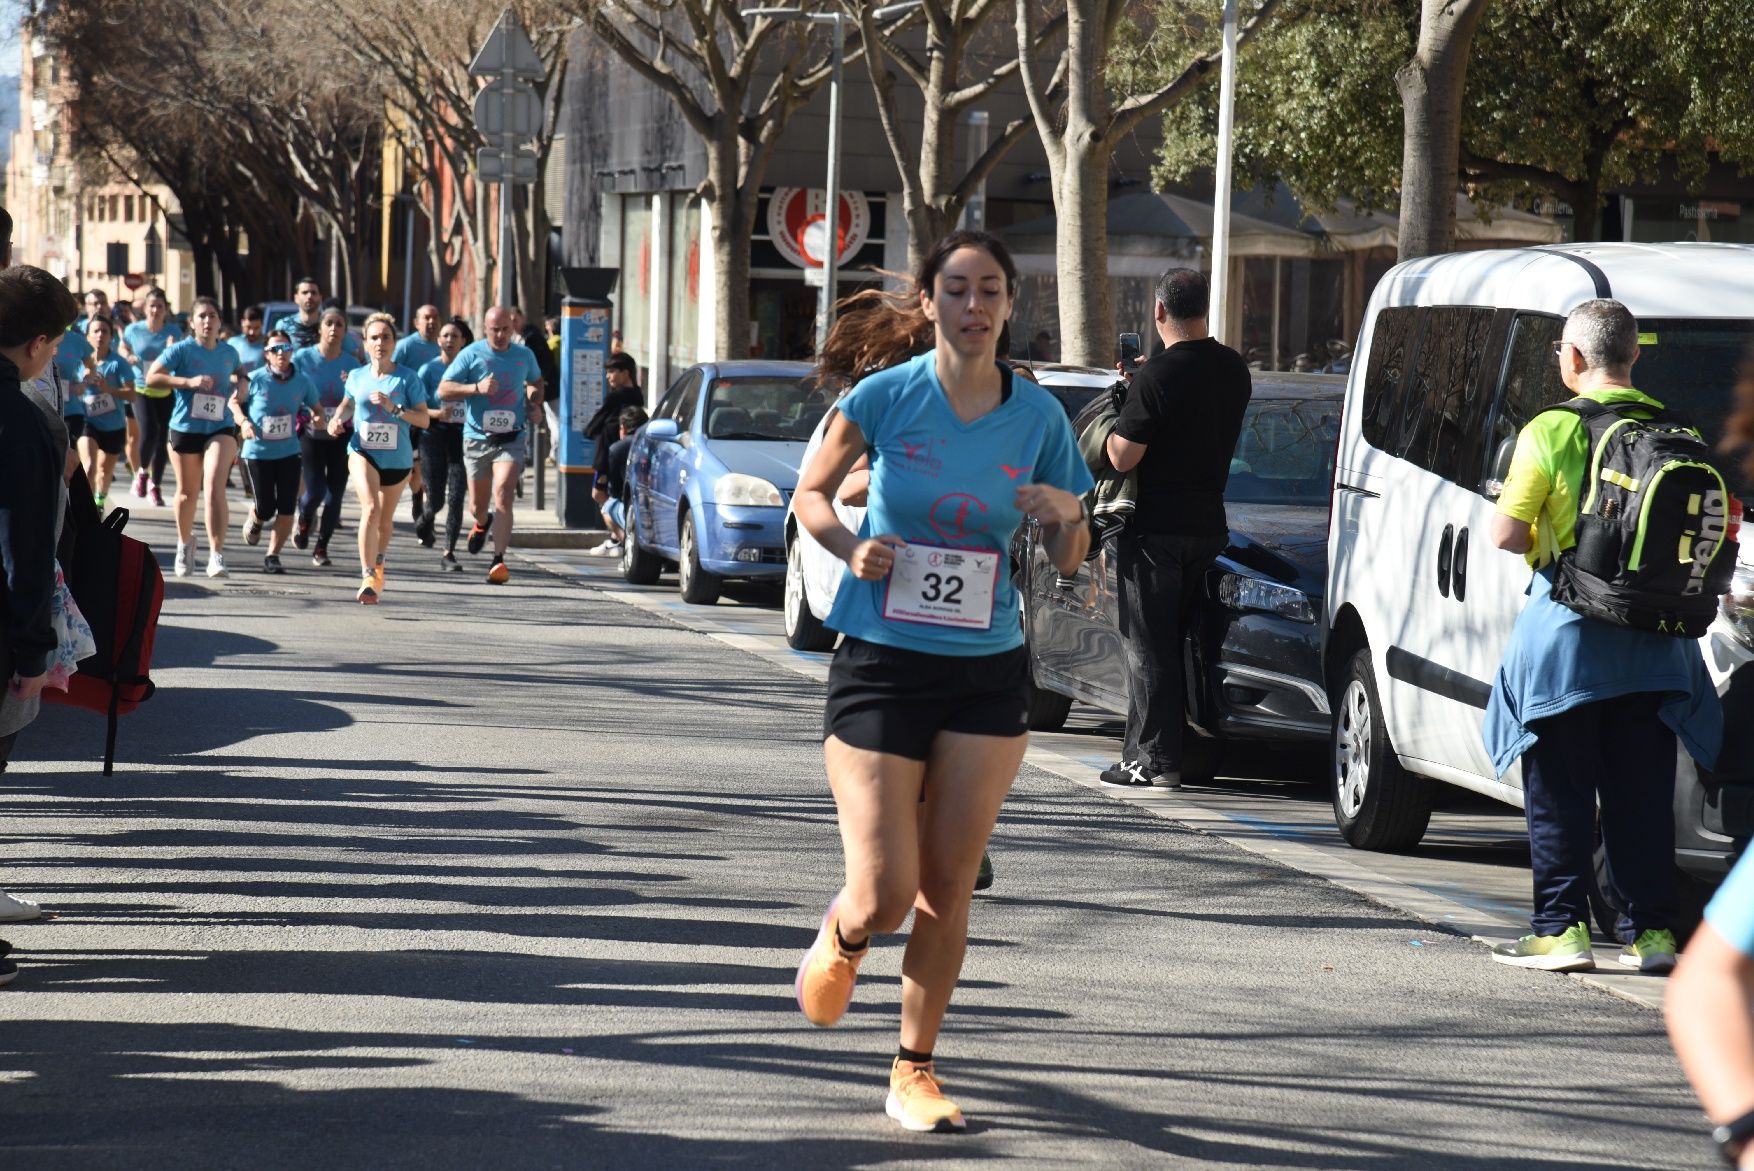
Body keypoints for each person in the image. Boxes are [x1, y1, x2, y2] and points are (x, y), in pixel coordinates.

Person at [790, 230, 1093, 1133]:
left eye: (990, 289)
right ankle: (845, 931)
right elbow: (809, 493)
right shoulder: (884, 396)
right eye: (956, 289)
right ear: (929, 303)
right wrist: (853, 546)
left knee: (946, 887)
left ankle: (913, 1069)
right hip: (881, 664)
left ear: (1008, 305)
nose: (974, 305)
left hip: (987, 673)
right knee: (884, 893)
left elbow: (1071, 557)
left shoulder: (1037, 418)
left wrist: (1066, 513)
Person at [1484, 299, 1723, 973]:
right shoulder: (1678, 427)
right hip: (1656, 646)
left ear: (1574, 359)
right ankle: (1650, 934)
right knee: (1640, 796)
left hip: (1568, 645)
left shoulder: (1551, 429)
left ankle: (1560, 929)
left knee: (1559, 792)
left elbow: (1505, 533)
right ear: (1635, 355)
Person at [1098, 268, 1252, 789]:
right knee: (1187, 641)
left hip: (1155, 529)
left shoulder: (1156, 379)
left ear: (1159, 311)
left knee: (1148, 644)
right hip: (1209, 525)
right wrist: (1145, 383)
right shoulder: (1234, 369)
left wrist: (1126, 408)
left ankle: (1153, 761)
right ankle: (1186, 750)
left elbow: (1122, 458)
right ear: (1204, 308)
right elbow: (1193, 405)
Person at [0, 266, 78, 955]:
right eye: (53, 346)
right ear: (35, 344)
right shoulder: (27, 423)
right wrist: (33, 651)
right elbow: (27, 546)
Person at [436, 305, 544, 585]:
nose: (500, 335)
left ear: (513, 328)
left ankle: (498, 560)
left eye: (505, 329)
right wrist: (476, 389)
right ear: (485, 328)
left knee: (504, 493)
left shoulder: (524, 355)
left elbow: (535, 382)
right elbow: (444, 389)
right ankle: (482, 523)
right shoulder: (471, 354)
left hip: (512, 437)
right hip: (477, 438)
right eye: (494, 329)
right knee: (477, 505)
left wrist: (534, 401)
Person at [327, 313, 430, 603]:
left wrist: (395, 409)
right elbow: (347, 405)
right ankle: (367, 574)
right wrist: (337, 420)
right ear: (365, 342)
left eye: (386, 337)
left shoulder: (408, 378)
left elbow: (424, 420)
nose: (380, 342)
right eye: (374, 337)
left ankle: (379, 560)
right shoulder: (357, 376)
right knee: (370, 508)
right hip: (363, 451)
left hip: (397, 461)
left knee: (385, 522)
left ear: (394, 342)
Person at [146, 297, 242, 579]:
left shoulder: (229, 352)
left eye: (213, 316)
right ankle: (184, 543)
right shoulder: (181, 350)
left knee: (214, 487)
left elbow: (240, 373)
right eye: (201, 316)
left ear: (220, 321)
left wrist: (242, 387)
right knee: (188, 494)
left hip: (220, 427)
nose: (207, 321)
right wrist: (187, 383)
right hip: (185, 426)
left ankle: (216, 554)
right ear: (192, 322)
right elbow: (152, 377)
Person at [232, 329, 322, 574]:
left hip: (289, 452)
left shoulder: (302, 381)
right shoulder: (254, 379)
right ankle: (257, 517)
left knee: (286, 507)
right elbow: (234, 403)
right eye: (275, 349)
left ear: (292, 352)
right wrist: (243, 422)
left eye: (286, 348)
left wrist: (318, 417)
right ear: (266, 354)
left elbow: (317, 407)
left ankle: (273, 555)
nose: (281, 354)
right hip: (257, 452)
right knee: (266, 506)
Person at [292, 309, 364, 568]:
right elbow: (292, 388)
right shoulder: (302, 358)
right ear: (320, 328)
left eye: (339, 324)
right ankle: (304, 518)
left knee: (335, 495)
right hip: (311, 433)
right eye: (329, 323)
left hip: (341, 435)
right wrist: (308, 412)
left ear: (345, 331)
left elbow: (359, 398)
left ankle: (322, 546)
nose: (334, 328)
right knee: (315, 491)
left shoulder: (352, 365)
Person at [416, 317, 472, 570]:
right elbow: (415, 407)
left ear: (464, 342)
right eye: (445, 336)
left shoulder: (472, 370)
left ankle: (448, 552)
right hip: (433, 434)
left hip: (462, 436)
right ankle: (425, 519)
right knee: (436, 499)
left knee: (457, 494)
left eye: (455, 336)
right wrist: (437, 413)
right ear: (439, 341)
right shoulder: (428, 370)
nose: (449, 340)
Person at [118, 287, 184, 506]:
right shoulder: (134, 330)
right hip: (141, 387)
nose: (155, 310)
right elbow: (123, 346)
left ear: (166, 310)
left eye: (160, 306)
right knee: (149, 431)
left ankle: (155, 486)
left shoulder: (173, 332)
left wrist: (172, 350)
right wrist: (127, 356)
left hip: (165, 389)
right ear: (145, 309)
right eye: (152, 306)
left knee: (162, 436)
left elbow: (180, 359)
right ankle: (143, 473)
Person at [77, 314, 136, 510]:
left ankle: (99, 501)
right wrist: (82, 382)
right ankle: (87, 510)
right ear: (87, 336)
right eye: (96, 331)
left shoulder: (118, 363)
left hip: (114, 425)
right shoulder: (79, 363)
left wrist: (109, 389)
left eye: (105, 331)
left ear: (111, 336)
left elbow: (131, 395)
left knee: (104, 471)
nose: (100, 335)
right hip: (87, 421)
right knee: (89, 466)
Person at [589, 405, 648, 555]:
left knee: (607, 507)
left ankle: (631, 549)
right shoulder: (653, 445)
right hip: (654, 505)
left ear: (623, 428)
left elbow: (615, 489)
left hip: (631, 508)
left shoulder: (617, 449)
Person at [586, 352, 644, 479]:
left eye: (612, 371)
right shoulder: (638, 395)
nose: (608, 376)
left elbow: (597, 421)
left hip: (608, 453)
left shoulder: (615, 396)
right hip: (629, 451)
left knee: (599, 493)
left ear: (625, 373)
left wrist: (589, 432)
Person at [52, 317, 98, 459]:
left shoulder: (76, 340)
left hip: (70, 409)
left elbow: (91, 367)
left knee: (67, 454)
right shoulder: (34, 336)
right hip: (42, 408)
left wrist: (84, 383)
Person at [271, 277, 325, 351]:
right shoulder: (284, 326)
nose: (309, 296)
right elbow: (277, 354)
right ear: (296, 298)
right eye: (305, 292)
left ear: (320, 298)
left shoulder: (329, 325)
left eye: (314, 293)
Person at [228, 304, 267, 378]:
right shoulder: (233, 343)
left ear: (262, 324)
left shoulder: (268, 344)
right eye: (248, 327)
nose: (252, 332)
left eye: (256, 328)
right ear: (242, 322)